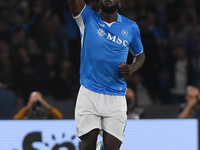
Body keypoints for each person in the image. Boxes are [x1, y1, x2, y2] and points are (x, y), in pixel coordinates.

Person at [67, 0, 145, 149]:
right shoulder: (87, 18)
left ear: (120, 3)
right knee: (88, 144)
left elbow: (140, 55)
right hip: (89, 92)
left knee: (112, 147)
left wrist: (132, 68)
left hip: (116, 95)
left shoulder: (131, 27)